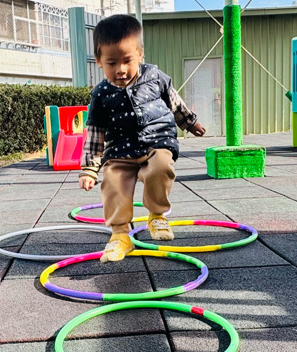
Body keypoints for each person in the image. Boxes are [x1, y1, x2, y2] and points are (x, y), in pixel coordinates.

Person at [79, 14, 206, 262]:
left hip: (156, 142)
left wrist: (190, 122)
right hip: (119, 151)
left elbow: (174, 101)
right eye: (111, 63)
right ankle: (120, 235)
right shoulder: (101, 94)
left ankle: (157, 215)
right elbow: (95, 133)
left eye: (127, 60)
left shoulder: (155, 77)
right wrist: (89, 170)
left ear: (140, 54)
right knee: (113, 181)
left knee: (161, 167)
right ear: (99, 60)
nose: (121, 70)